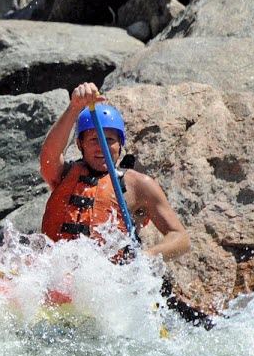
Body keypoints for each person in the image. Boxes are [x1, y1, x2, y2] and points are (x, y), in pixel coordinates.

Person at [39, 83, 189, 260]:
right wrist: (74, 107)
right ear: (80, 144)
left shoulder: (138, 185)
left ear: (120, 144)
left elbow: (181, 238)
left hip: (109, 277)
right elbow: (49, 155)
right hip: (58, 273)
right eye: (94, 140)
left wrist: (144, 258)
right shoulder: (63, 174)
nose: (102, 147)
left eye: (110, 140)